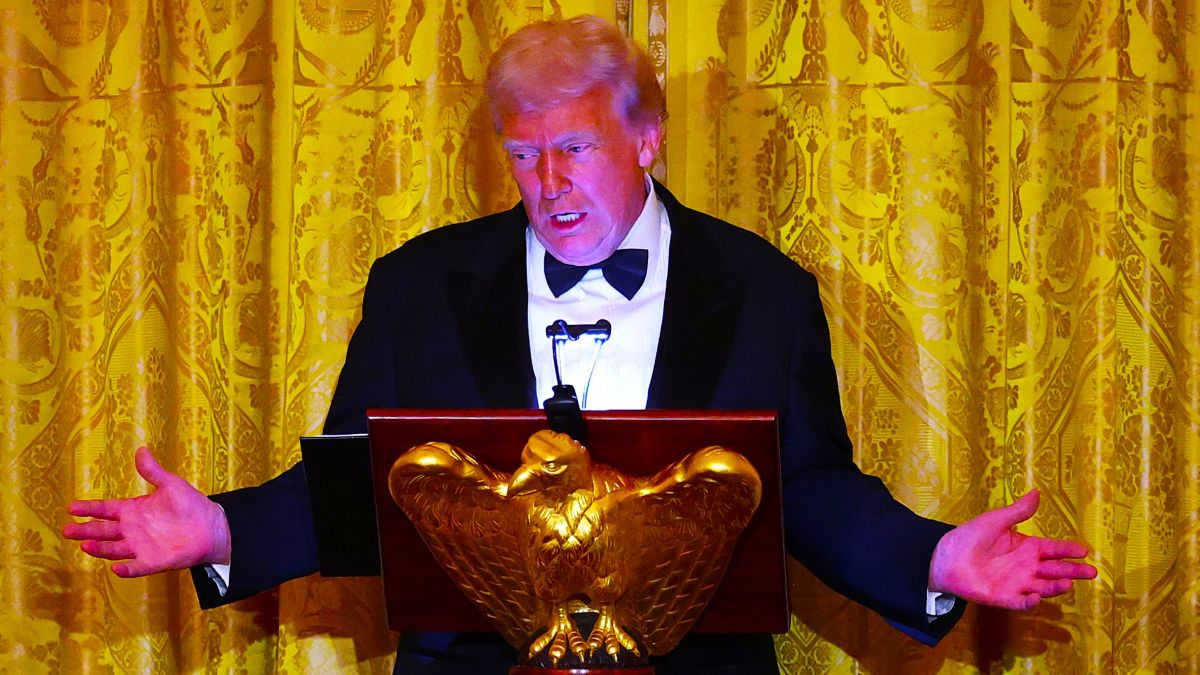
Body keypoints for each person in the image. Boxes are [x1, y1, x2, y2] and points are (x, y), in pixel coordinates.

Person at [64, 15, 1097, 674]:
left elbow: (812, 490)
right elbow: (361, 494)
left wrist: (934, 556)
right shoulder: (418, 287)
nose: (546, 184)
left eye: (572, 148)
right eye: (523, 155)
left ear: (644, 139)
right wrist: (220, 534)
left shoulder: (763, 292)